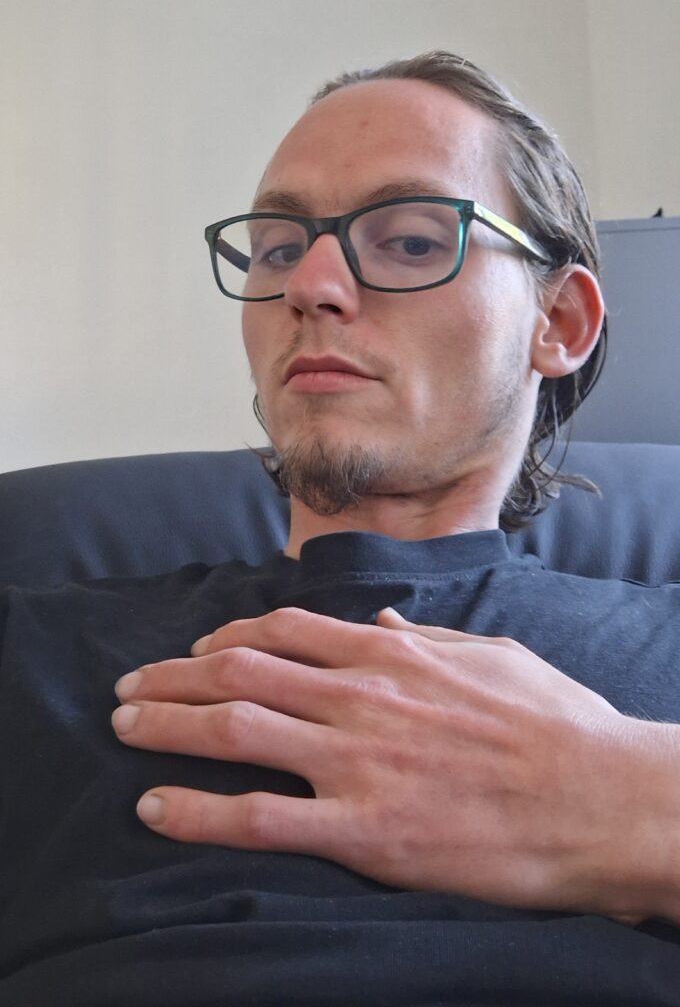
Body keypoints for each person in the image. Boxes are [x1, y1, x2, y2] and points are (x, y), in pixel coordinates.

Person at [2, 51, 679, 1006]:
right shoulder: (33, 647)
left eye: (409, 240)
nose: (310, 286)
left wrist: (631, 798)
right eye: (279, 248)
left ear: (559, 320)